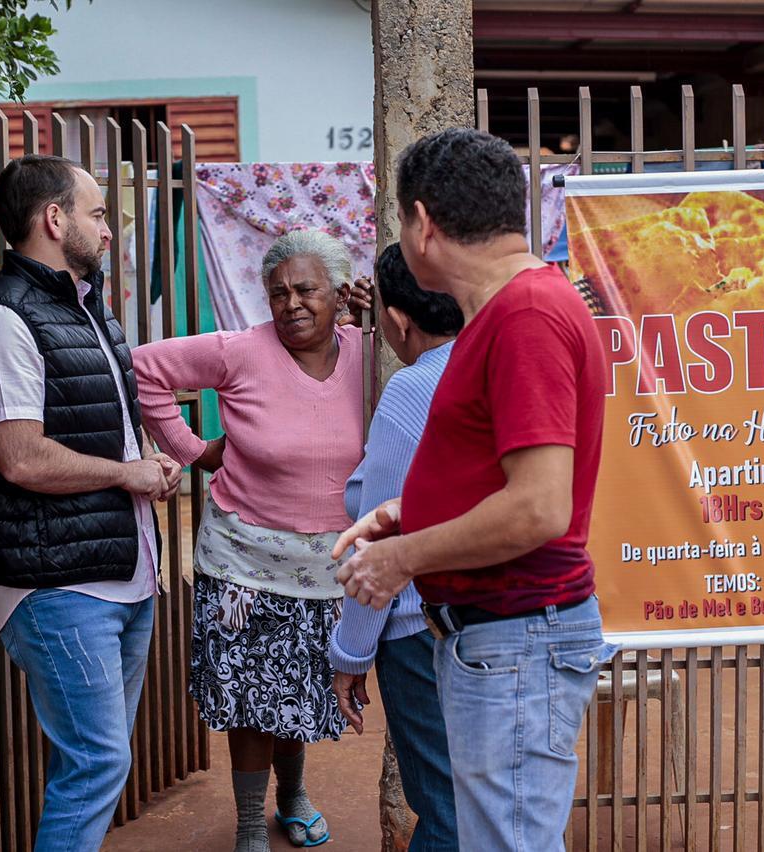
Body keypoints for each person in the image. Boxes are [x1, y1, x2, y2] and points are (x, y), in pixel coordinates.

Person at [333, 129, 619, 851]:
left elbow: (539, 507)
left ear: (422, 223)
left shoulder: (524, 316)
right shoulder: (512, 311)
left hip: (515, 631)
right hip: (505, 636)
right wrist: (409, 513)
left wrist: (403, 557)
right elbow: (509, 480)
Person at [0, 154, 181, 851]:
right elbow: (20, 457)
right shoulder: (2, 322)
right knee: (98, 763)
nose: (108, 230)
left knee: (96, 763)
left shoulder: (85, 306)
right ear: (54, 219)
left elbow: (103, 427)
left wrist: (148, 463)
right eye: (98, 214)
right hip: (58, 586)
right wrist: (126, 474)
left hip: (122, 574)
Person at [134, 229, 370, 852]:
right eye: (278, 292)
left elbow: (439, 353)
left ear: (340, 293)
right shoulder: (241, 351)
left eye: (306, 290)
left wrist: (380, 318)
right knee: (248, 698)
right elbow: (144, 369)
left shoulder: (372, 354)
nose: (291, 304)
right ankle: (247, 823)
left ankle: (292, 797)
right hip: (242, 563)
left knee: (296, 692)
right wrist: (194, 451)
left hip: (326, 567)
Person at [329, 243, 462, 851]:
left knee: (442, 808)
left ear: (399, 319)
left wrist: (351, 654)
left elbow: (377, 546)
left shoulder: (412, 388)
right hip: (500, 624)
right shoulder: (497, 368)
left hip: (421, 632)